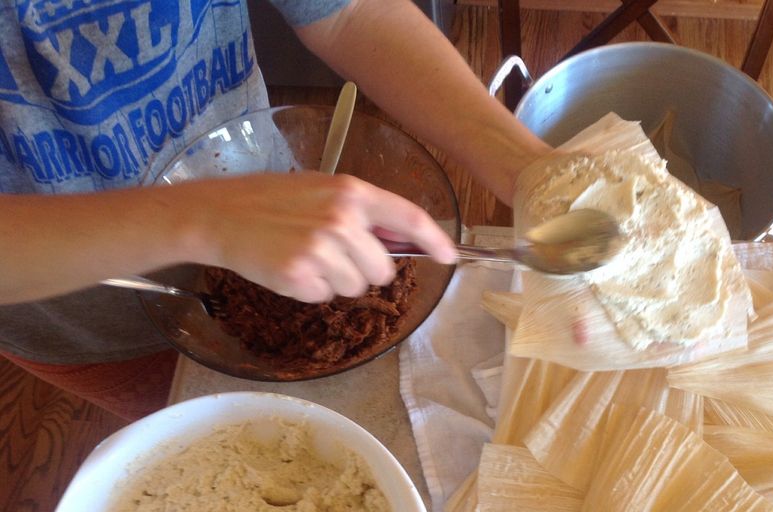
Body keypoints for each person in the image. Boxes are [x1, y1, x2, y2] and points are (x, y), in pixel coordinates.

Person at [0, 0, 550, 419]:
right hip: (82, 306)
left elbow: (348, 12)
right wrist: (204, 219)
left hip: (264, 197)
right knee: (193, 421)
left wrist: (529, 169)